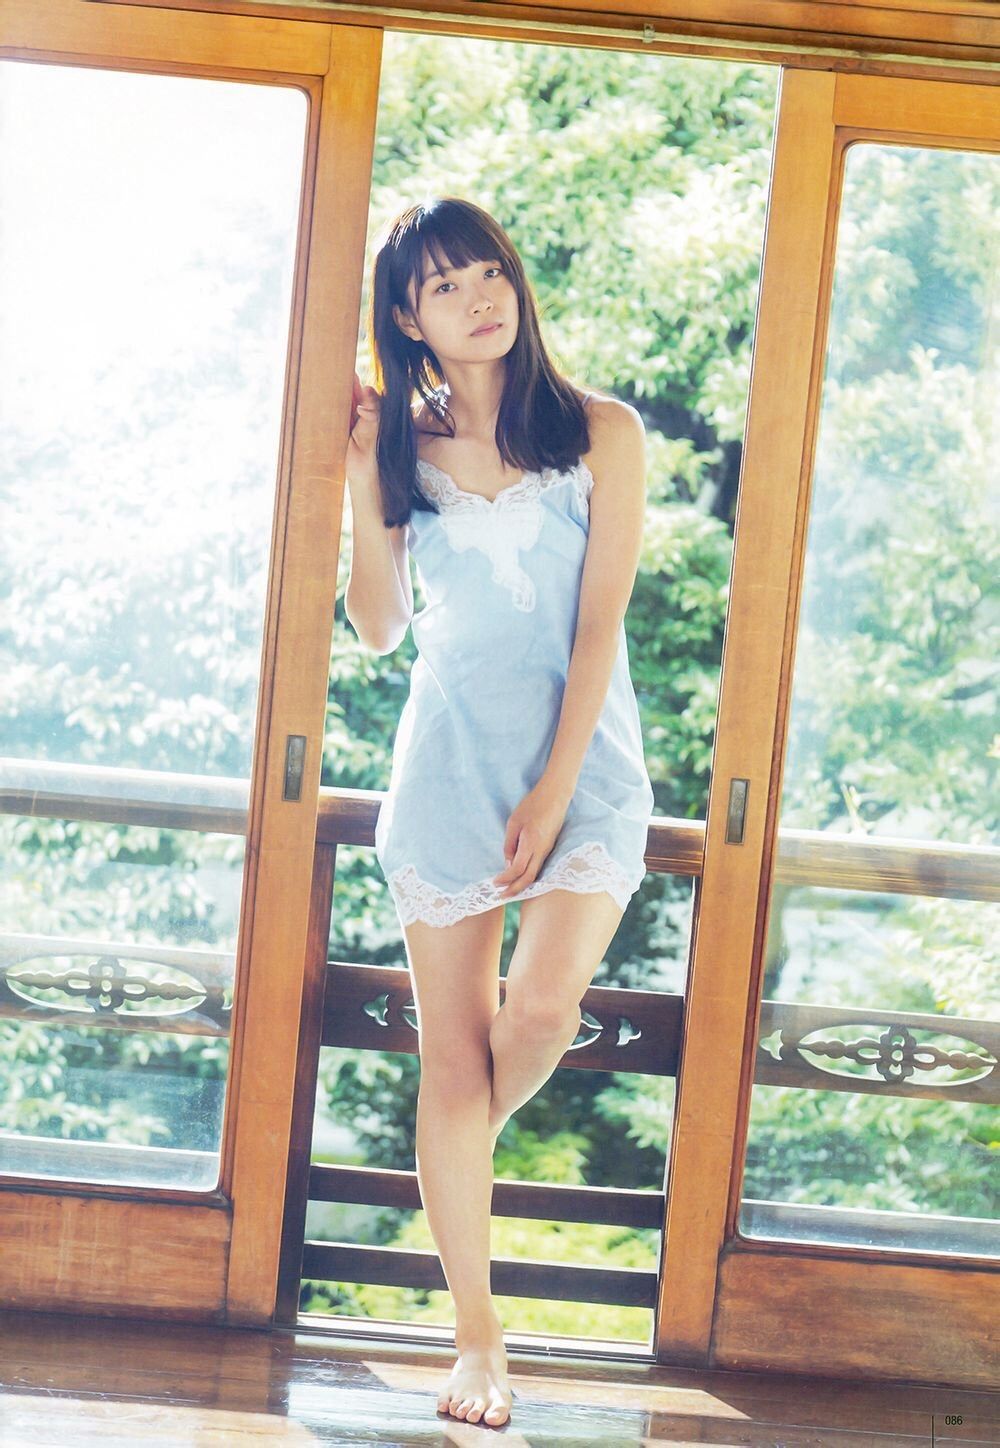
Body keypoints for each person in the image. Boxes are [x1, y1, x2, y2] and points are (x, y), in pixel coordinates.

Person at [343, 196, 654, 1428]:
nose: (478, 297)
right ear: (407, 318)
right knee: (449, 1058)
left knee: (537, 1014)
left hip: (587, 770)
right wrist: (354, 477)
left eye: (488, 272)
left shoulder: (599, 432)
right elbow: (379, 629)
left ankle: (454, 1137)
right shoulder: (399, 451)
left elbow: (600, 625)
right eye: (443, 285)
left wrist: (554, 785)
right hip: (445, 775)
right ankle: (478, 1334)